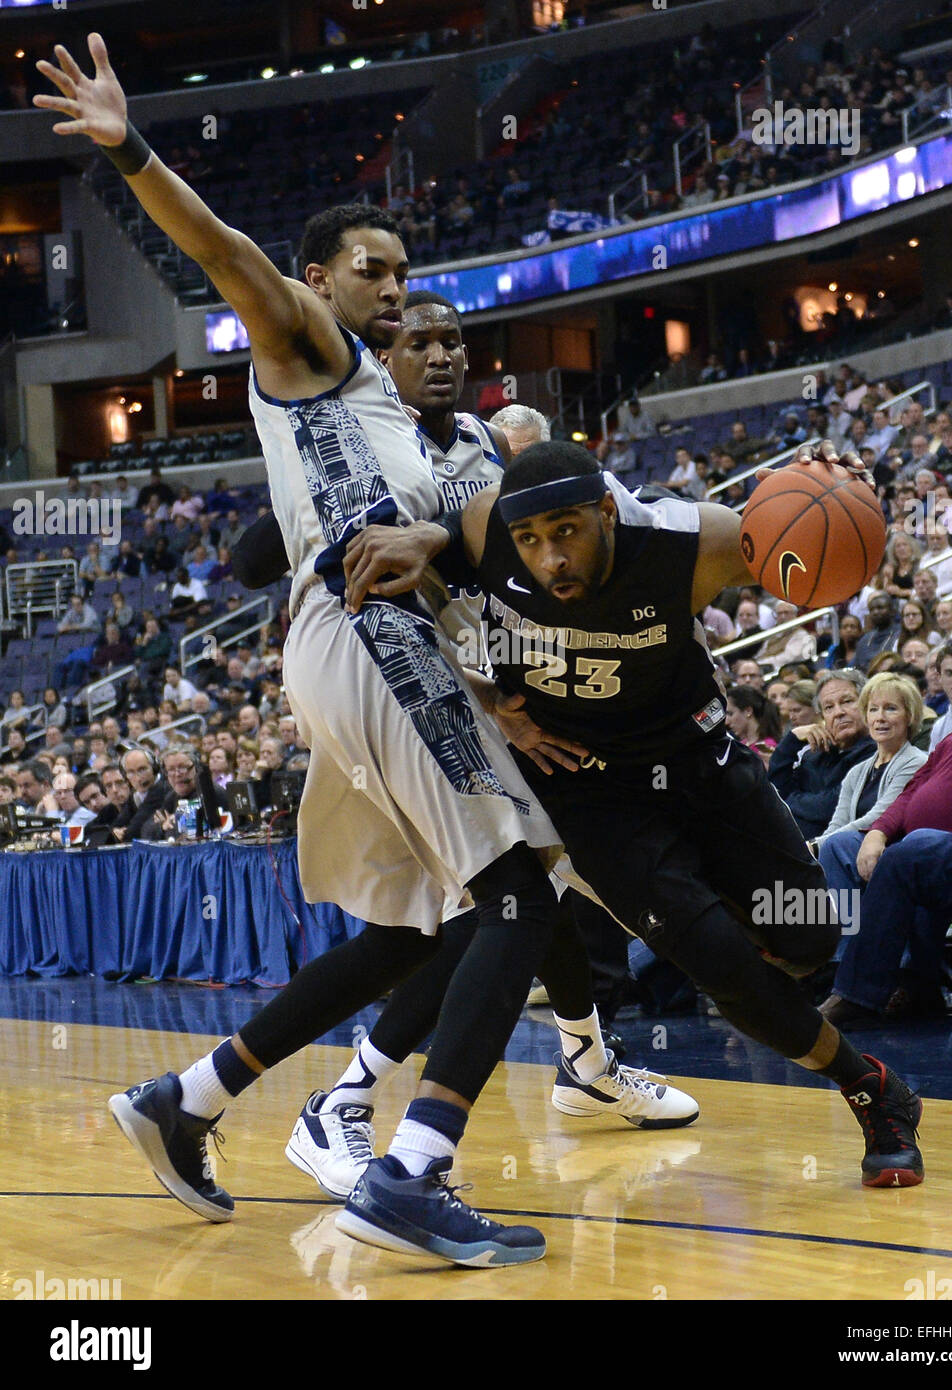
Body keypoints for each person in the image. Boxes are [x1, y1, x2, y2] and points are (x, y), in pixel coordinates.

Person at [39, 35, 679, 1267]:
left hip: (380, 650)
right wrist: (132, 148)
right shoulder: (310, 348)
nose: (392, 286)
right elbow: (223, 254)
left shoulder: (395, 408)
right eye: (368, 269)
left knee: (416, 930)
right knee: (514, 894)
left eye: (402, 270)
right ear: (319, 279)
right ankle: (412, 1169)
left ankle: (193, 1098)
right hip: (367, 643)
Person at [342, 438, 927, 1190]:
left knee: (808, 934)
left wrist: (840, 492)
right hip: (588, 791)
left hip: (698, 760)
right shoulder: (484, 530)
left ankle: (743, 970)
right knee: (722, 966)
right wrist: (492, 705)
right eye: (531, 541)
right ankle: (874, 1091)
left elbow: (815, 555)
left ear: (607, 511)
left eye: (566, 532)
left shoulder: (697, 543)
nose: (548, 557)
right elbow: (424, 599)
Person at [817, 640, 952, 1025]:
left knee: (912, 851)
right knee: (854, 847)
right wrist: (878, 831)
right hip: (931, 844)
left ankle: (875, 991)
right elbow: (916, 786)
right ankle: (850, 981)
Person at [812, 674, 927, 855]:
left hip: (890, 851)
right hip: (849, 851)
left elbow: (877, 817)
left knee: (836, 844)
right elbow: (837, 824)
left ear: (910, 716)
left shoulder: (917, 762)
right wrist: (812, 848)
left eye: (890, 709)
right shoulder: (856, 772)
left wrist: (816, 846)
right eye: (873, 709)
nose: (880, 717)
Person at [768, 670, 875, 839]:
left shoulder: (877, 752)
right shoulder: (815, 754)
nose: (838, 712)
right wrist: (791, 740)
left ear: (867, 704)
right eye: (829, 707)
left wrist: (789, 800)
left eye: (847, 701)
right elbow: (776, 793)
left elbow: (833, 806)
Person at [725, 685, 782, 767]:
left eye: (731, 714)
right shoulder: (740, 746)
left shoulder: (767, 749)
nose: (727, 722)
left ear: (748, 711)